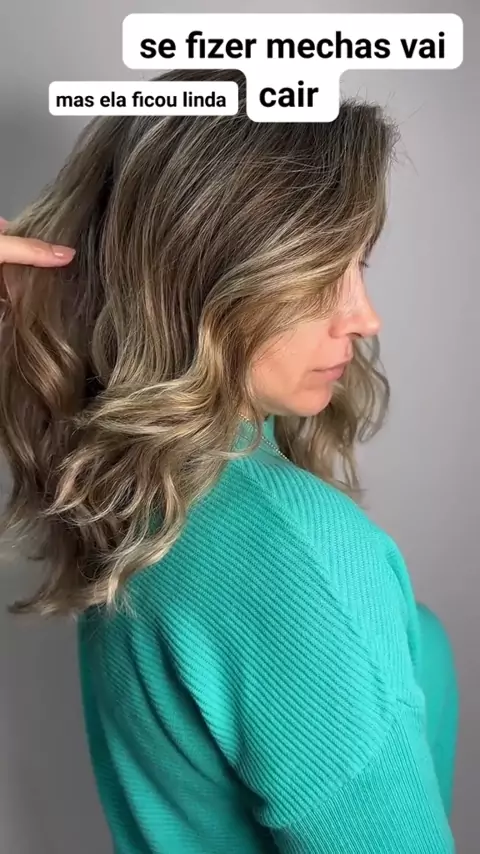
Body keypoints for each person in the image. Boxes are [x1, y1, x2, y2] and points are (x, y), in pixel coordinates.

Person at [0, 69, 459, 853]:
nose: (364, 318)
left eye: (359, 265)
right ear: (202, 275)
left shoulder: (153, 493)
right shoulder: (290, 547)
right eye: (319, 273)